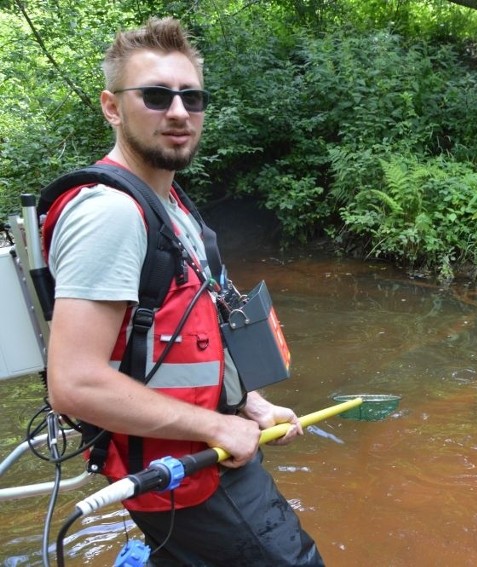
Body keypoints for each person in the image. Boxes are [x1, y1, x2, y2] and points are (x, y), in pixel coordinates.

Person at [45, 17, 323, 565]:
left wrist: (251, 406)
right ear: (110, 106)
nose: (178, 112)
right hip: (183, 475)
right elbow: (74, 385)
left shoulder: (172, 208)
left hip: (206, 456)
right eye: (154, 95)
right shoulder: (109, 215)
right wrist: (217, 425)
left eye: (191, 98)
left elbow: (195, 337)